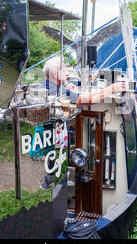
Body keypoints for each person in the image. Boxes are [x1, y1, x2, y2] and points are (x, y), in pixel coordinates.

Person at [39, 56, 126, 189]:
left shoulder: (47, 85)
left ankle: (51, 181)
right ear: (56, 73)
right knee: (55, 167)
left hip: (45, 136)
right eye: (64, 70)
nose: (68, 73)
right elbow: (90, 99)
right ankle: (52, 187)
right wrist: (113, 88)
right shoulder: (57, 90)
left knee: (53, 164)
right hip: (51, 139)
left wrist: (67, 88)